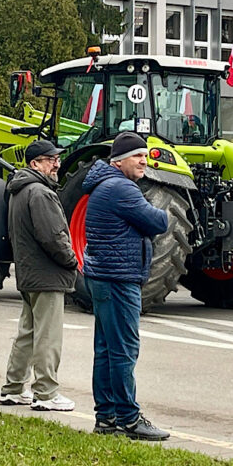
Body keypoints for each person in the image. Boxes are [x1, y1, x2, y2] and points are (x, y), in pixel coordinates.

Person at [82, 132, 170, 441]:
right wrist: (157, 209)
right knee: (123, 350)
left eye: (144, 155)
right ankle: (130, 419)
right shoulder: (121, 188)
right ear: (118, 161)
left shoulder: (104, 185)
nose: (144, 161)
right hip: (118, 279)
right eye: (137, 156)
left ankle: (106, 418)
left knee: (106, 350)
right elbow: (159, 222)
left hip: (104, 276)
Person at [0, 140, 78, 411]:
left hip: (30, 272)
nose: (56, 164)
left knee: (28, 332)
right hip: (47, 273)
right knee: (47, 335)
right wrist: (71, 260)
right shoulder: (41, 193)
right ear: (34, 164)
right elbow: (53, 236)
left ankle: (12, 388)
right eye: (50, 159)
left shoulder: (20, 190)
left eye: (56, 159)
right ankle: (46, 393)